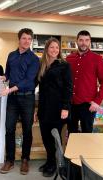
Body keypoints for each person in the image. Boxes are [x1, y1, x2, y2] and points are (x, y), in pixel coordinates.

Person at [0, 28, 40, 175]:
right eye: (24, 38)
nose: (27, 41)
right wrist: (2, 78)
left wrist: (10, 89)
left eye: (29, 39)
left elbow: (29, 80)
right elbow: (8, 74)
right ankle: (9, 160)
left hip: (27, 97)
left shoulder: (35, 59)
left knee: (27, 130)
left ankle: (25, 160)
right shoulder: (11, 55)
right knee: (9, 128)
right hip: (13, 99)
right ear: (19, 39)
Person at [37, 38, 73, 177]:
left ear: (59, 50)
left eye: (56, 48)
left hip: (57, 109)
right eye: (51, 47)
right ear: (47, 49)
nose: (54, 50)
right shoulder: (42, 64)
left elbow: (68, 88)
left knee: (54, 139)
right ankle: (49, 161)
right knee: (45, 137)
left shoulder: (64, 65)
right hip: (44, 108)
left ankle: (54, 165)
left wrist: (65, 107)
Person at [66, 30, 103, 133]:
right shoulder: (69, 58)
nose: (84, 43)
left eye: (86, 40)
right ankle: (73, 150)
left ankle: (86, 150)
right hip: (70, 103)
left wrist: (97, 101)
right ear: (77, 41)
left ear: (90, 41)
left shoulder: (97, 59)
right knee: (71, 132)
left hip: (88, 105)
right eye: (81, 40)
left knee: (87, 133)